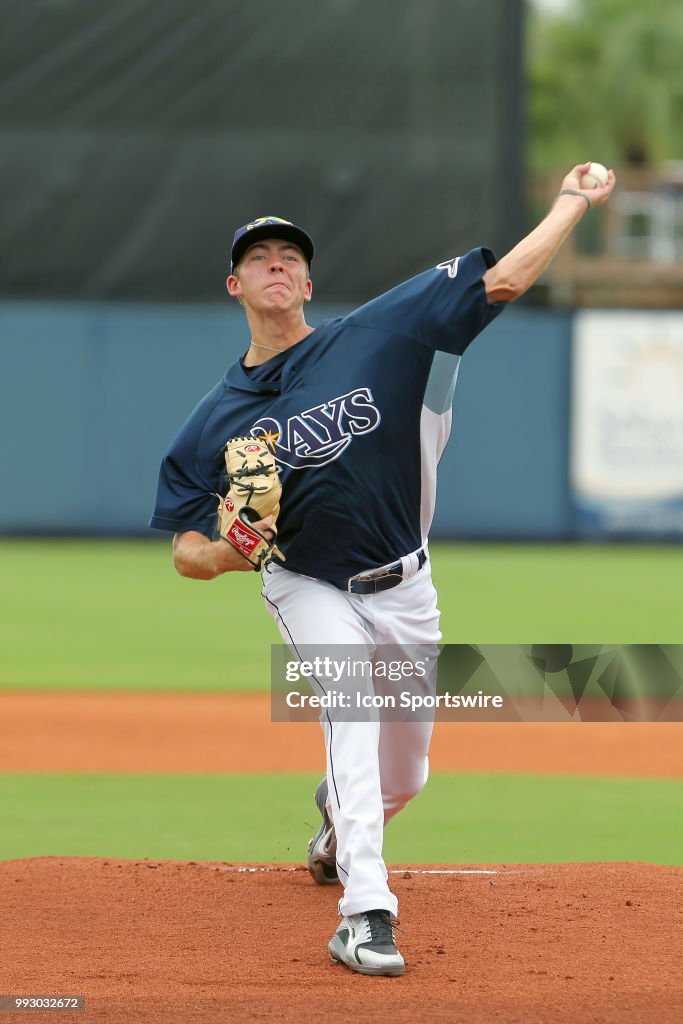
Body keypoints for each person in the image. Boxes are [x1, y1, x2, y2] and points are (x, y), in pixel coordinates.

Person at [150, 166, 615, 976]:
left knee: (406, 773)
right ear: (235, 284)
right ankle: (364, 913)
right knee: (350, 712)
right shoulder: (214, 419)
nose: (277, 267)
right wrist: (229, 553)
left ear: (308, 278)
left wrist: (571, 201)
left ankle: (335, 831)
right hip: (305, 581)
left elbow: (501, 280)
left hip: (405, 581)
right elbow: (187, 550)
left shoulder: (377, 334)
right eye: (259, 258)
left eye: (289, 257)